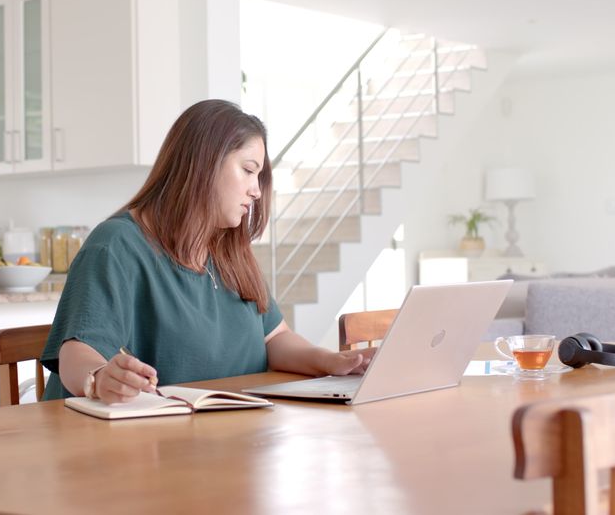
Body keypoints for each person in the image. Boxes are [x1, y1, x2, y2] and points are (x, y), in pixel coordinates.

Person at [40, 99, 376, 404]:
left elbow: (275, 338)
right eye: (247, 170)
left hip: (227, 438)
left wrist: (333, 362)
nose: (257, 191)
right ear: (204, 162)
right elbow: (75, 352)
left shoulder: (229, 251)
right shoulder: (116, 245)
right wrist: (99, 379)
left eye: (259, 176)